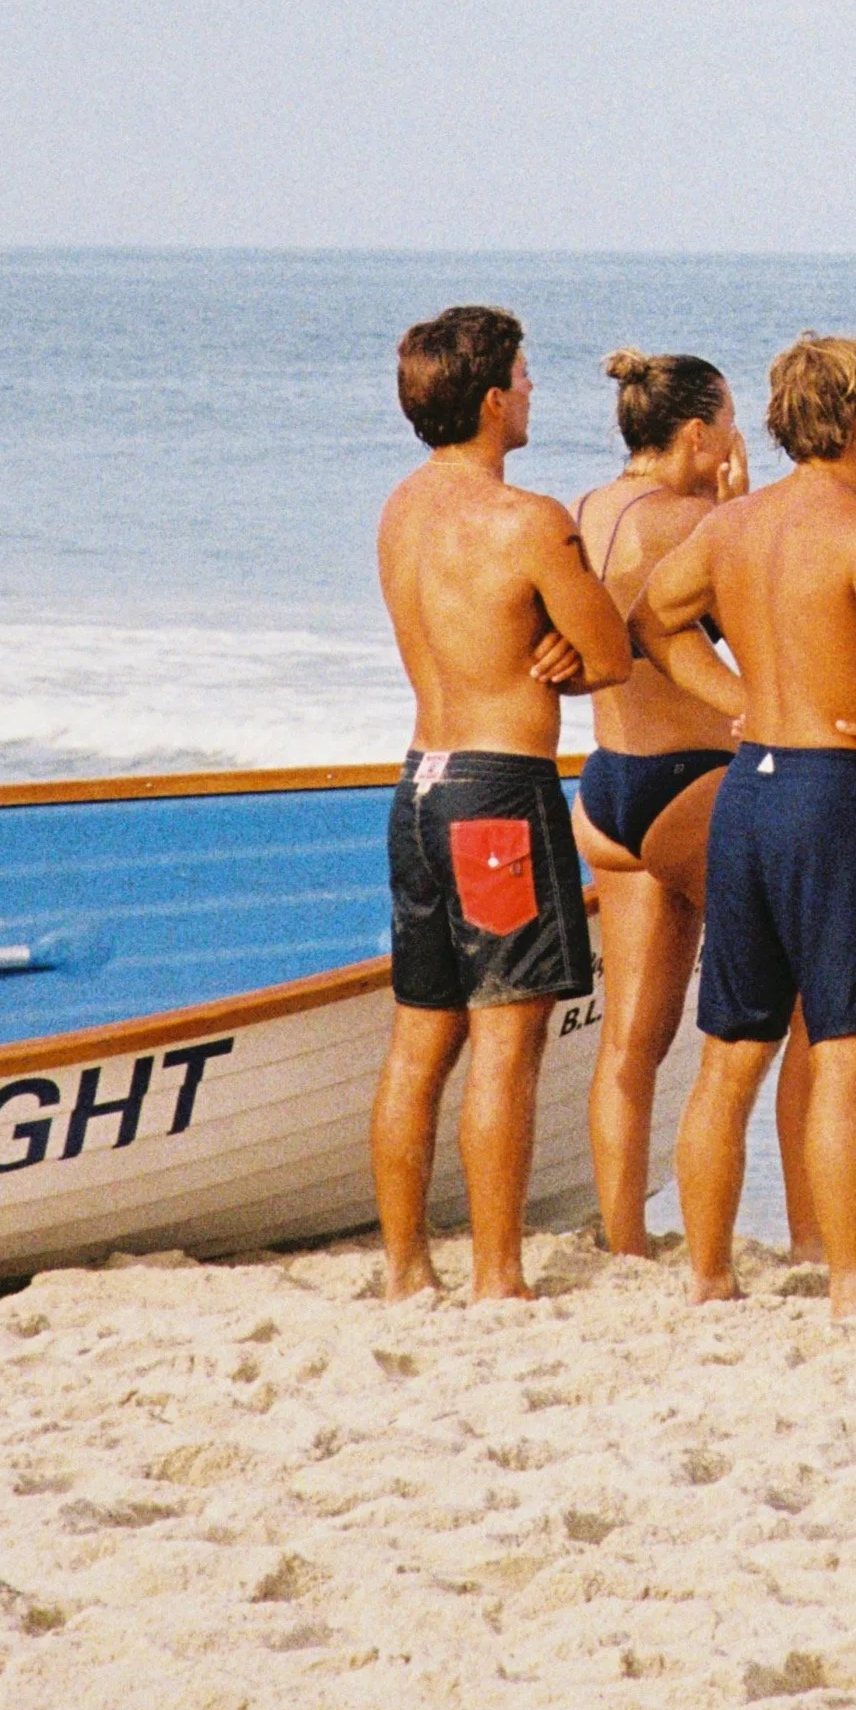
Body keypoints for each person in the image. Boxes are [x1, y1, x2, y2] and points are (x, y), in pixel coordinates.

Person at [638, 332, 856, 1317]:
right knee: (850, 1051)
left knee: (730, 1053)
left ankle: (708, 1276)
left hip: (749, 792)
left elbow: (653, 619)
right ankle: (853, 1282)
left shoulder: (731, 528)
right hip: (832, 795)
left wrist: (742, 698)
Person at [370, 305, 637, 1303]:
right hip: (496, 794)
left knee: (418, 1041)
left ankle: (406, 1270)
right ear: (491, 400)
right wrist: (570, 648)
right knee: (506, 1044)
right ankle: (496, 1276)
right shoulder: (527, 519)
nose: (533, 392)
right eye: (524, 378)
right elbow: (610, 655)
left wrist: (553, 639)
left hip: (420, 783)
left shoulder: (401, 509)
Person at [568, 351, 822, 1264]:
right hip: (694, 782)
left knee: (632, 1038)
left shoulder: (589, 508)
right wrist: (738, 511)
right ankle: (812, 1236)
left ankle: (626, 1241)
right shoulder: (696, 521)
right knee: (811, 1004)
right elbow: (763, 640)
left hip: (607, 785)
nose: (739, 437)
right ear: (695, 434)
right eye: (729, 423)